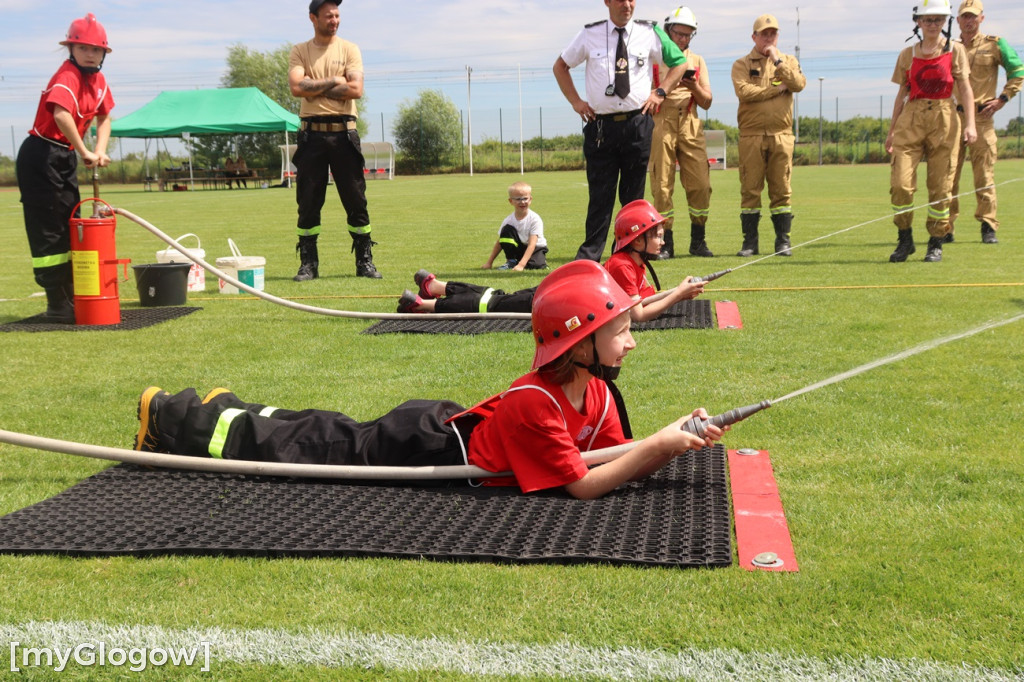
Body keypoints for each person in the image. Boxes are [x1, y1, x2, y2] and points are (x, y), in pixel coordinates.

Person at [135, 261, 724, 499]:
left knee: (319, 430)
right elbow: (583, 487)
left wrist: (666, 440)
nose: (633, 338)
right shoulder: (535, 404)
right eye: (620, 329)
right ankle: (175, 416)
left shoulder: (594, 391)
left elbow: (610, 453)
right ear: (580, 342)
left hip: (447, 426)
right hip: (424, 443)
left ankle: (231, 407)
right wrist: (662, 446)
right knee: (316, 443)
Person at [553, 0, 690, 262]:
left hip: (637, 124)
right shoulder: (589, 34)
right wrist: (575, 101)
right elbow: (560, 66)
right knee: (600, 197)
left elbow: (680, 63)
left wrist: (661, 92)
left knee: (632, 198)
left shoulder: (649, 32)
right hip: (600, 126)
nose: (627, 5)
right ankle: (589, 259)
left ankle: (628, 255)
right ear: (607, 2)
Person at [16, 13, 114, 324]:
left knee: (72, 223)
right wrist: (84, 150)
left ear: (103, 54)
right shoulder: (67, 76)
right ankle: (56, 302)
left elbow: (105, 117)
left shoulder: (98, 81)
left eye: (96, 49)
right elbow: (61, 115)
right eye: (83, 47)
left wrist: (98, 150)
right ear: (70, 49)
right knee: (50, 229)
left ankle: (72, 293)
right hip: (41, 153)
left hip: (64, 155)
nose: (90, 53)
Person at [289, 0, 380, 281]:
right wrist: (334, 80)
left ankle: (364, 261)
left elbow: (355, 89)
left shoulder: (349, 49)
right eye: (329, 15)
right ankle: (308, 264)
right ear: (313, 18)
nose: (335, 20)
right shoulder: (300, 50)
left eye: (338, 15)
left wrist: (314, 86)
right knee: (308, 201)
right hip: (311, 135)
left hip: (344, 133)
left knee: (356, 199)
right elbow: (296, 87)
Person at [885, 0, 977, 263]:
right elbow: (901, 94)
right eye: (928, 20)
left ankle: (936, 241)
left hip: (945, 119)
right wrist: (891, 131)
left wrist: (970, 124)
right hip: (910, 119)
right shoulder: (907, 54)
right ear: (918, 22)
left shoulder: (956, 50)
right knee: (900, 184)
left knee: (941, 186)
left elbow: (966, 89)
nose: (933, 24)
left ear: (945, 22)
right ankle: (904, 239)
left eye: (938, 19)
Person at [948, 0, 1023, 245]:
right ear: (957, 20)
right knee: (946, 176)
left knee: (984, 176)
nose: (968, 21)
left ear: (982, 18)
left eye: (973, 16)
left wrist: (1003, 98)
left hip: (982, 118)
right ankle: (945, 227)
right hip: (952, 118)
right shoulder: (948, 46)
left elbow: (1018, 70)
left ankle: (988, 225)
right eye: (964, 17)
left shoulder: (995, 43)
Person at [731, 14, 806, 258]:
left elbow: (797, 84)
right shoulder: (741, 64)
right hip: (751, 136)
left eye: (773, 33)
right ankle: (750, 243)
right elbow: (744, 92)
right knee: (750, 189)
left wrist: (778, 61)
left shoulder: (788, 60)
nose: (768, 38)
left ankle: (783, 242)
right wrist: (775, 90)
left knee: (781, 189)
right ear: (754, 36)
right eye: (764, 34)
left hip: (781, 135)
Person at [648, 7, 714, 260]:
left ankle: (698, 241)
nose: (683, 39)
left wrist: (694, 85)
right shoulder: (654, 59)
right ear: (668, 31)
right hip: (660, 122)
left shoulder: (697, 61)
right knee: (661, 185)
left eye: (688, 35)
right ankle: (666, 244)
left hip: (690, 122)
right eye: (679, 34)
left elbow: (707, 102)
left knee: (701, 184)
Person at [604, 199, 705, 322]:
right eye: (658, 236)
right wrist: (678, 294)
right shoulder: (623, 266)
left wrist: (679, 292)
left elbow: (641, 301)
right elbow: (638, 315)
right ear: (638, 240)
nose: (662, 242)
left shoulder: (636, 262)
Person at [482, 182, 548, 271]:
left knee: (536, 266)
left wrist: (521, 265)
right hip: (520, 246)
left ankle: (521, 262)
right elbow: (500, 242)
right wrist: (489, 262)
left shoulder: (534, 219)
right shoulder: (508, 220)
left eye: (525, 198)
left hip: (536, 247)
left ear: (530, 199)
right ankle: (512, 261)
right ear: (511, 201)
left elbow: (532, 244)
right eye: (518, 199)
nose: (522, 202)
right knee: (506, 230)